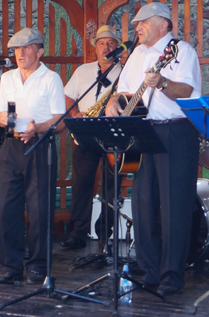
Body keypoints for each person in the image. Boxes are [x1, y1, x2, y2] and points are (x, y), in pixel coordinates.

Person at [105, 2, 202, 296]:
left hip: (176, 130)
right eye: (136, 23)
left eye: (143, 22)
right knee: (143, 203)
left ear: (163, 23)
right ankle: (148, 272)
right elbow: (124, 90)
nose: (137, 27)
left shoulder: (182, 51)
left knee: (174, 206)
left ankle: (172, 275)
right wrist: (113, 103)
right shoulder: (136, 53)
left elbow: (186, 91)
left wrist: (161, 82)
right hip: (144, 131)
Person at [0, 27, 66, 284]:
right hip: (11, 147)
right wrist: (1, 118)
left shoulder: (51, 78)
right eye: (16, 49)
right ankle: (9, 265)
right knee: (8, 209)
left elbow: (60, 120)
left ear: (40, 51)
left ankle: (38, 266)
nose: (20, 54)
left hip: (39, 146)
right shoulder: (8, 77)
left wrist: (39, 128)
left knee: (39, 210)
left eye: (26, 48)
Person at [62, 25, 124, 250]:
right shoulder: (83, 71)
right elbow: (68, 97)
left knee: (111, 186)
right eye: (101, 43)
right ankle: (78, 233)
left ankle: (104, 232)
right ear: (95, 48)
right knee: (81, 185)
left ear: (117, 48)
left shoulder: (125, 72)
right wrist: (75, 113)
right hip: (85, 134)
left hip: (112, 134)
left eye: (110, 43)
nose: (106, 47)